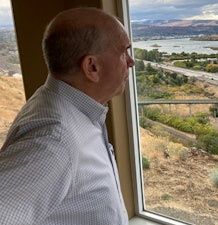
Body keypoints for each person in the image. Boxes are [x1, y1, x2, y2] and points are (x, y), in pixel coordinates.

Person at [0, 7, 134, 225]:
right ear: (92, 67)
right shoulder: (54, 138)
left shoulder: (69, 108)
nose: (131, 62)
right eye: (123, 52)